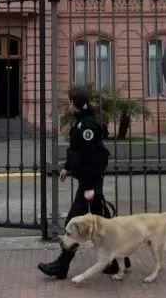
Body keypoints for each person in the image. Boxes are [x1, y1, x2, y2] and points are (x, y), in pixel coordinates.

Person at [38, 86, 131, 279]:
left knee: (73, 224)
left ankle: (61, 266)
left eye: (70, 101)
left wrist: (88, 187)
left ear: (74, 103)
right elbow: (77, 150)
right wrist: (67, 167)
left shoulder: (87, 125)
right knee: (104, 223)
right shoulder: (82, 123)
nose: (69, 104)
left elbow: (90, 157)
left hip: (89, 184)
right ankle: (119, 259)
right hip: (89, 183)